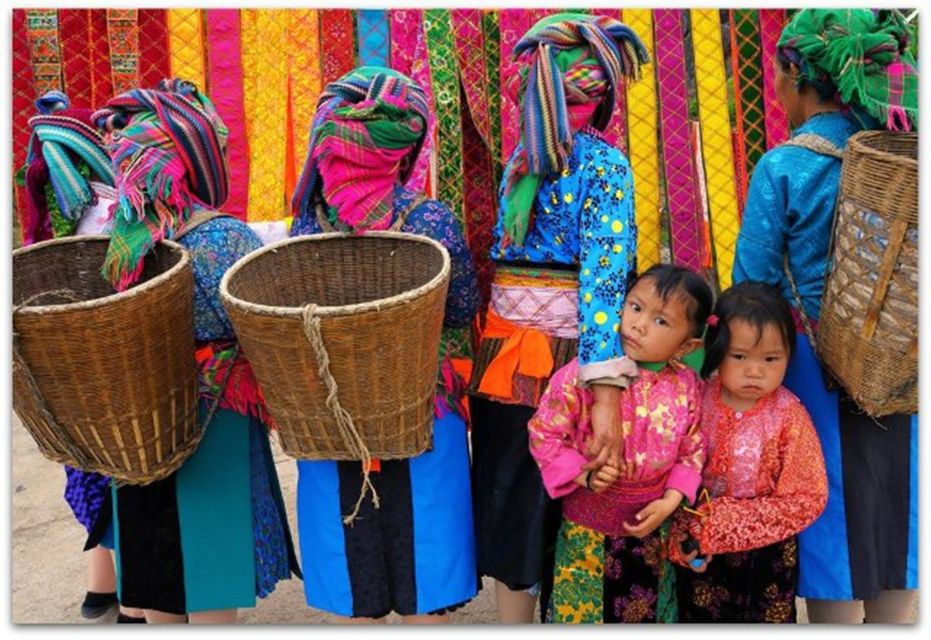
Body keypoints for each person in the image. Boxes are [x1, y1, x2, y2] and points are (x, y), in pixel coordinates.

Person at [91, 78, 300, 623]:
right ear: (192, 159)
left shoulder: (121, 243)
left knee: (158, 574)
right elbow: (267, 325)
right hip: (214, 421)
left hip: (137, 420)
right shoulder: (223, 238)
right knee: (210, 570)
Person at [733, 9, 918, 623]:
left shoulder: (784, 167)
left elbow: (753, 289)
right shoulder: (904, 159)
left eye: (777, 77)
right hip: (898, 356)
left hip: (814, 362)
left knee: (826, 503)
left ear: (796, 74)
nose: (776, 91)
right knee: (898, 505)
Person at [466, 13, 651, 622]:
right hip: (567, 361)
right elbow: (605, 283)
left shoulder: (524, 160)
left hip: (511, 359)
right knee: (564, 501)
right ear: (601, 95)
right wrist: (605, 390)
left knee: (513, 496)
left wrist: (600, 387)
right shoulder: (601, 165)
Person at [289, 66, 480, 623]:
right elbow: (463, 306)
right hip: (420, 404)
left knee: (357, 575)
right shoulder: (432, 223)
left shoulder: (308, 225)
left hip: (332, 411)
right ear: (406, 146)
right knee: (427, 572)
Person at [528, 264, 712, 623]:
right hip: (586, 531)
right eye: (635, 307)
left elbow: (694, 448)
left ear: (687, 344)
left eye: (661, 321)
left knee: (648, 613)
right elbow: (543, 432)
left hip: (652, 530)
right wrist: (583, 474)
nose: (639, 324)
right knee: (582, 613)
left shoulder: (688, 386)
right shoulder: (582, 375)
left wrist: (672, 500)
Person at [22, 90, 145, 623]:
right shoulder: (115, 213)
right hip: (113, 369)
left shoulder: (52, 224)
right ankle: (135, 598)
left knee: (89, 469)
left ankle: (101, 588)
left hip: (66, 373)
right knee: (124, 472)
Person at [670, 281, 828, 622]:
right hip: (702, 553)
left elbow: (808, 496)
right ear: (716, 349)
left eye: (771, 358)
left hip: (767, 558)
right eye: (739, 356)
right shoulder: (695, 401)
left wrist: (728, 523)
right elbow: (674, 471)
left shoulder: (790, 415)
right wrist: (685, 533)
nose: (755, 370)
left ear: (788, 355)